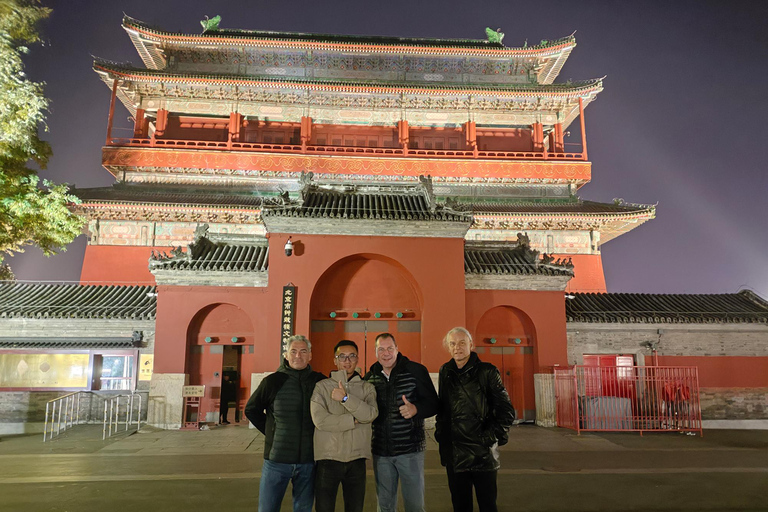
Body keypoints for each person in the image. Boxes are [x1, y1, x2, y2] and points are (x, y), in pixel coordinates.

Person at [435, 327, 516, 512]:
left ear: (471, 344)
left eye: (462, 343)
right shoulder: (445, 371)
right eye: (453, 344)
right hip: (455, 453)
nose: (458, 348)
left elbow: (506, 412)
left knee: (487, 505)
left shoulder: (487, 371)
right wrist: (441, 434)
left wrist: (488, 438)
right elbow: (444, 408)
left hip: (482, 454)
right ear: (448, 347)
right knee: (460, 506)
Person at [244, 335, 325, 512]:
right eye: (293, 351)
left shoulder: (319, 381)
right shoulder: (273, 381)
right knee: (268, 508)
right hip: (276, 460)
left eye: (303, 351)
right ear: (285, 355)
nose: (298, 356)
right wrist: (272, 430)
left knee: (303, 508)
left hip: (308, 461)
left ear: (310, 355)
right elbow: (251, 409)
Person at [364, 332, 438, 512]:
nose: (386, 353)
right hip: (381, 452)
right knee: (385, 506)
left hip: (410, 450)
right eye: (381, 349)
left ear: (397, 350)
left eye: (390, 348)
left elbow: (434, 404)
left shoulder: (415, 371)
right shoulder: (370, 377)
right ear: (376, 352)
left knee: (414, 505)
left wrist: (416, 409)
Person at [311, 340, 378, 512]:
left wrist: (345, 399)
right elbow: (320, 421)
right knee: (324, 508)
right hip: (328, 459)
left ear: (357, 359)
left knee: (355, 508)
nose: (347, 361)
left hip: (357, 459)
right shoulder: (321, 387)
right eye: (342, 356)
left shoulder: (367, 388)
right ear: (335, 360)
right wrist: (352, 420)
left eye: (352, 356)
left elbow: (371, 414)